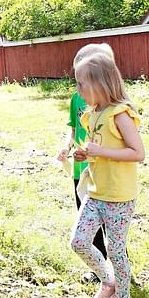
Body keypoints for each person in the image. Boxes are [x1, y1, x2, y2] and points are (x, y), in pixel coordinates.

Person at [69, 52, 145, 298]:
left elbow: (138, 153)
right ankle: (108, 280)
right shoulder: (93, 115)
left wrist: (99, 149)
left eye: (82, 84)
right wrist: (85, 154)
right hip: (96, 191)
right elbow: (99, 151)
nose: (78, 90)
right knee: (78, 242)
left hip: (118, 196)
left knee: (115, 249)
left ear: (101, 83)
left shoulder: (119, 114)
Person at [57, 44, 111, 273]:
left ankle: (119, 267)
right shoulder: (76, 100)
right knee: (87, 221)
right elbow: (74, 129)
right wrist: (65, 148)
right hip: (81, 170)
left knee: (111, 223)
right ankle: (98, 270)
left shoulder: (111, 105)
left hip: (105, 173)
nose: (79, 87)